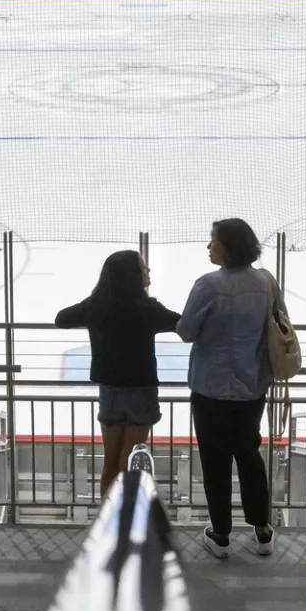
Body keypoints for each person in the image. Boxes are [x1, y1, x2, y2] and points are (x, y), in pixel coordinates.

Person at [176, 217, 276, 559]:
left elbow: (186, 330)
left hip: (211, 389)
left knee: (215, 461)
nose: (209, 246)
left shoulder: (207, 285)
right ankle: (262, 530)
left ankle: (220, 534)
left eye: (213, 240)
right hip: (251, 386)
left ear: (228, 246)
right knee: (249, 455)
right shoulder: (265, 282)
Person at [55, 250, 179, 499]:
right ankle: (125, 520)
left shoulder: (96, 307)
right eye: (144, 268)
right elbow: (182, 324)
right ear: (133, 276)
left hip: (109, 390)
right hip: (140, 390)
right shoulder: (148, 309)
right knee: (130, 459)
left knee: (110, 461)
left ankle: (107, 516)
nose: (148, 271)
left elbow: (62, 319)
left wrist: (92, 309)